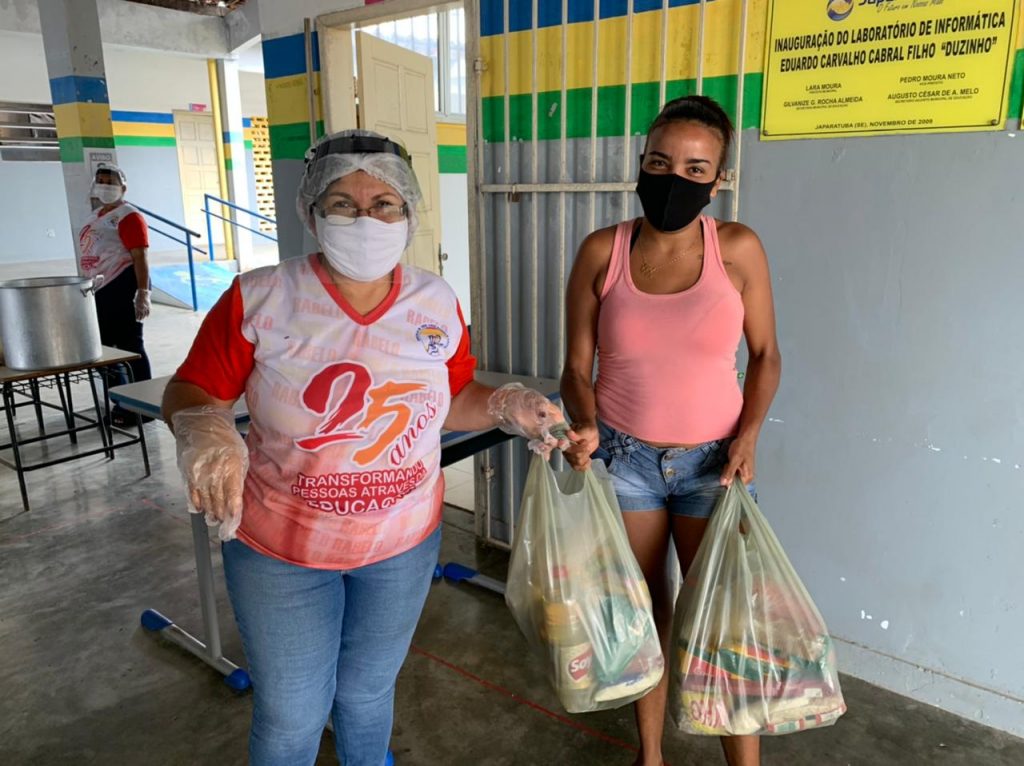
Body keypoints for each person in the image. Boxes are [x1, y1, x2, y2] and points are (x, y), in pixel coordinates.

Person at [161, 129, 573, 766]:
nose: (364, 220)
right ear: (311, 212)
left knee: (366, 693)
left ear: (408, 213)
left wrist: (507, 405)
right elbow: (191, 389)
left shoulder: (433, 300)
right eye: (342, 204)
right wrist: (205, 429)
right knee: (293, 713)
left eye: (384, 204)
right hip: (282, 549)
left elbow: (452, 395)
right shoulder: (260, 297)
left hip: (401, 546)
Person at [560, 96, 782, 766]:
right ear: (640, 164)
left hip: (715, 464)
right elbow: (574, 368)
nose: (673, 179)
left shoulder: (737, 250)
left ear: (718, 180)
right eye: (659, 163)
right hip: (624, 458)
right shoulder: (603, 251)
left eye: (694, 168)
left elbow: (766, 355)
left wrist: (748, 436)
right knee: (644, 610)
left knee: (723, 622)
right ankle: (650, 755)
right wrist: (586, 424)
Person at [78, 163, 152, 424]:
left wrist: (142, 292)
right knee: (105, 350)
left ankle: (143, 407)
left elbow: (140, 256)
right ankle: (122, 402)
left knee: (131, 346)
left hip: (122, 284)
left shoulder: (128, 216)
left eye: (111, 183)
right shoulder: (95, 216)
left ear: (123, 187)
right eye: (101, 181)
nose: (105, 187)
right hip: (99, 288)